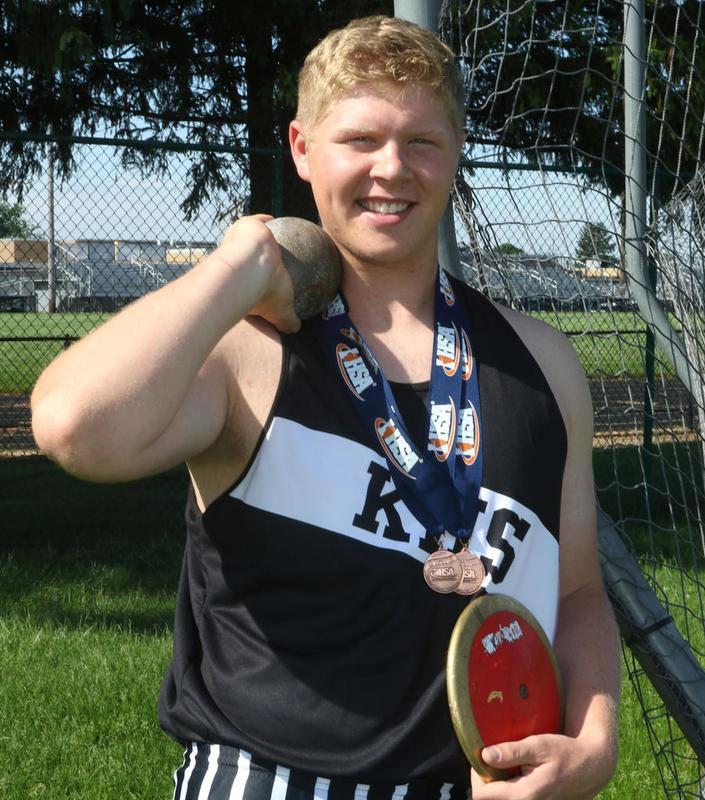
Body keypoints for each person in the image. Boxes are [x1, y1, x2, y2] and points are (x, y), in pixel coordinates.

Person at [31, 15, 619, 800]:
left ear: (456, 153)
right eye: (359, 140)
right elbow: (75, 426)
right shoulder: (247, 352)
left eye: (421, 141)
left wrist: (597, 738)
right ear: (302, 149)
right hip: (266, 778)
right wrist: (241, 265)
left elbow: (577, 590)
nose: (391, 169)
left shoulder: (542, 363)